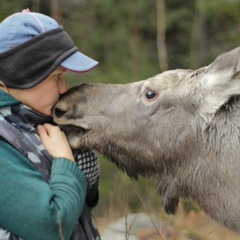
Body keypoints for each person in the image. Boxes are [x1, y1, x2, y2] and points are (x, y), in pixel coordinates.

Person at [0, 9, 101, 240]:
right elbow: (50, 227)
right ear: (23, 74)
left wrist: (87, 180)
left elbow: (80, 214)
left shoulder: (35, 123)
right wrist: (66, 163)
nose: (64, 89)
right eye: (56, 77)